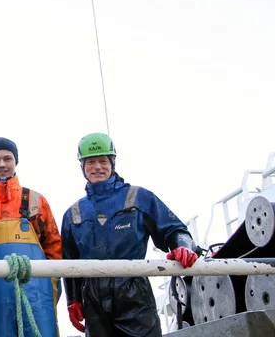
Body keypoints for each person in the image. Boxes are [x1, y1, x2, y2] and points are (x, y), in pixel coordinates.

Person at [62, 133, 198, 336]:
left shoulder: (138, 198)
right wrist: (73, 300)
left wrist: (183, 247)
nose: (97, 167)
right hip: (93, 299)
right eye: (91, 162)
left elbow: (174, 229)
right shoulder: (74, 214)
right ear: (82, 166)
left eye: (103, 161)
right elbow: (69, 259)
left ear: (112, 163)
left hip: (134, 293)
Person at [0, 137, 63, 337]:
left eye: (7, 158)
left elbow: (54, 248)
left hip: (37, 298)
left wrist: (48, 291)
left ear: (16, 161)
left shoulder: (36, 202)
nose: (2, 164)